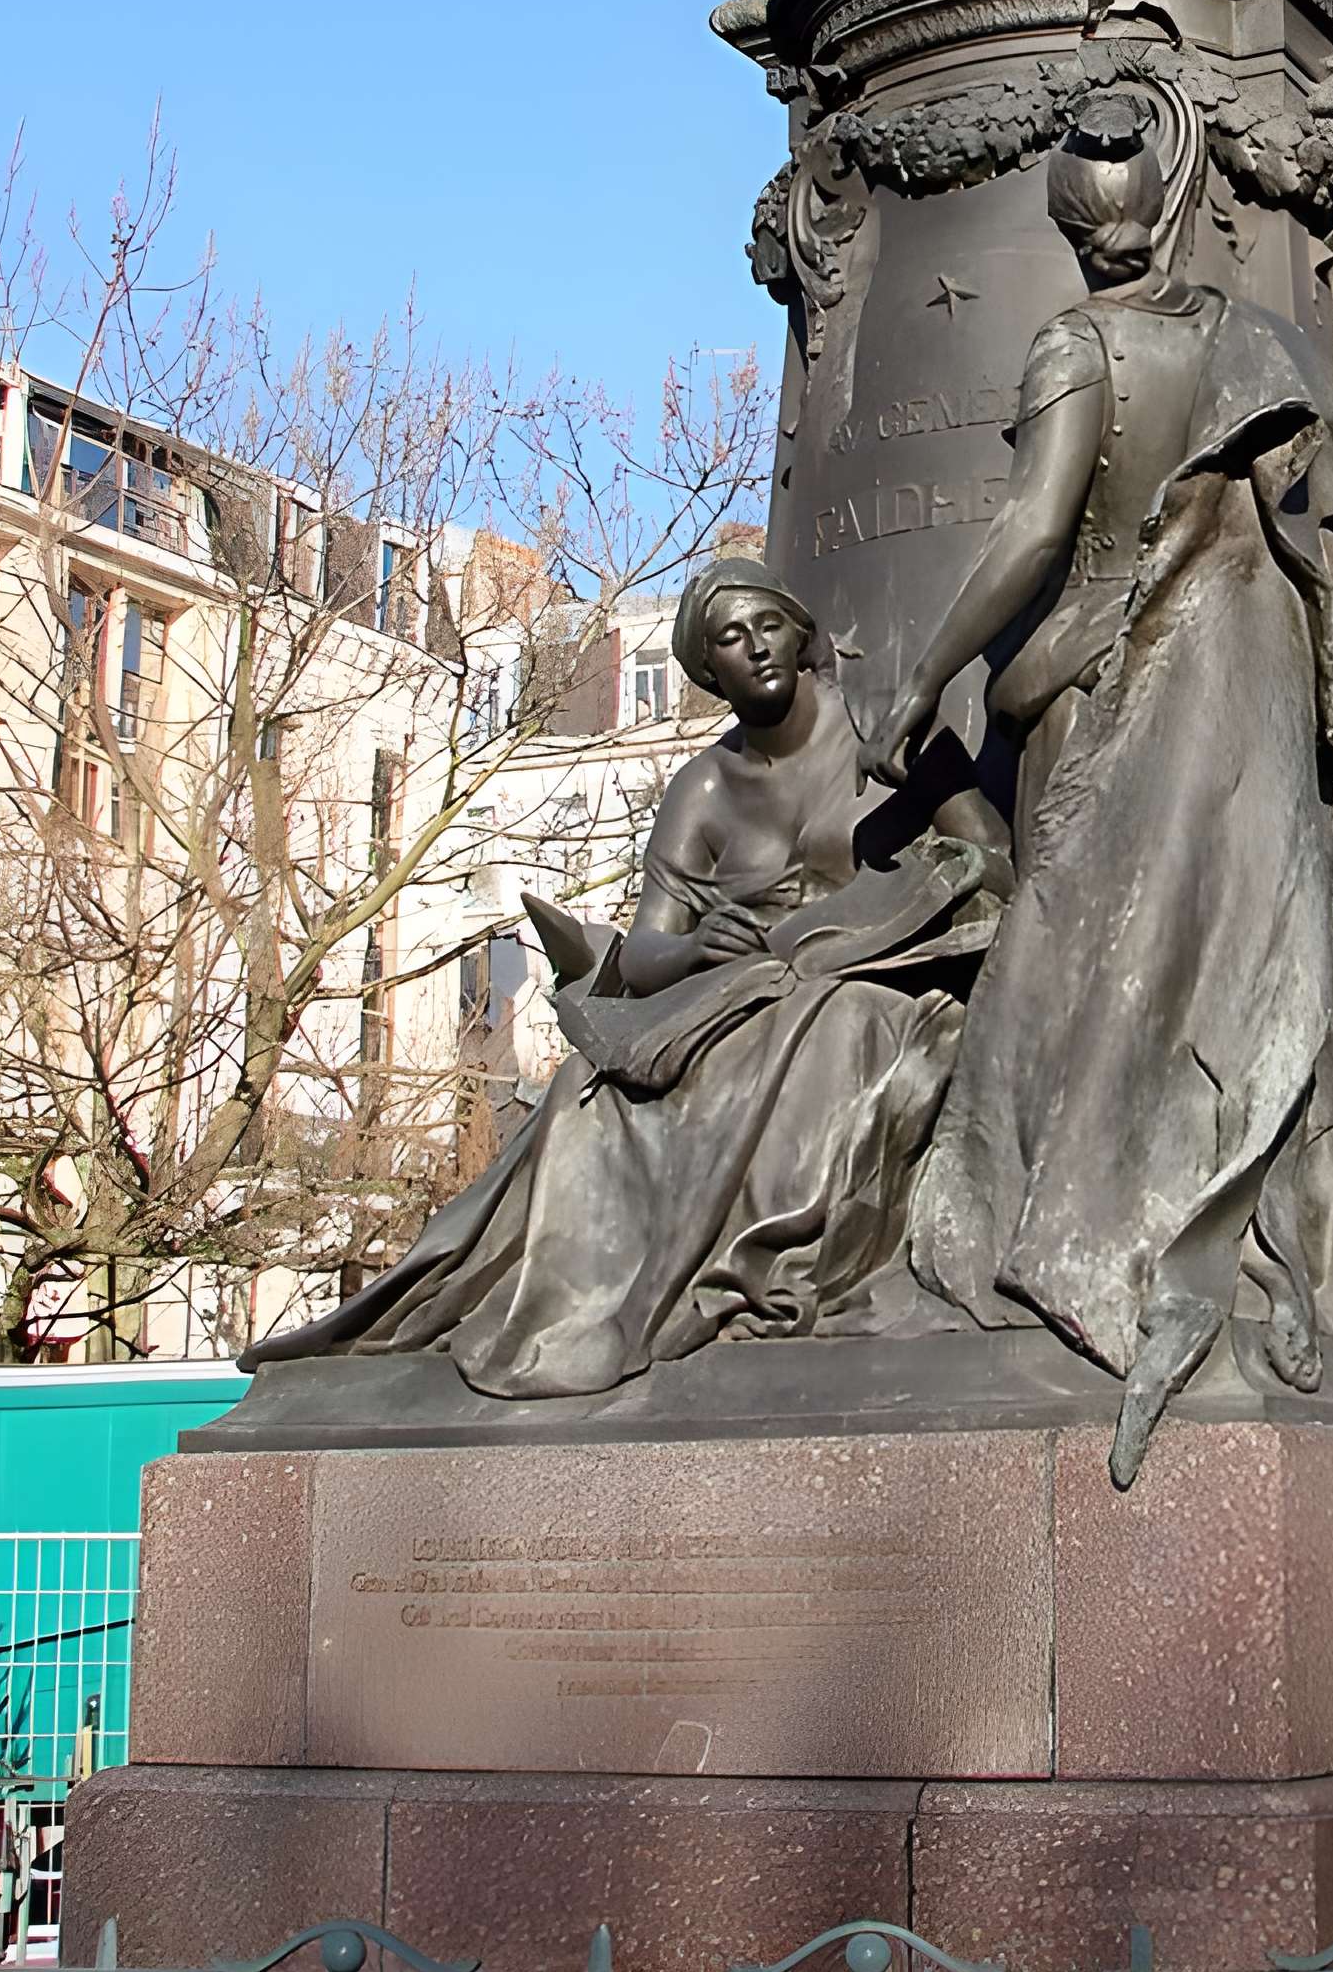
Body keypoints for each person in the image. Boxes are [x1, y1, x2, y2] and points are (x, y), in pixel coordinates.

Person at [861, 94, 1333, 1483]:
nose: (1089, 245)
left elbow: (1029, 534)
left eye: (1081, 226)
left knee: (1102, 969)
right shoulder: (1263, 343)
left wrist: (924, 673)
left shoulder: (1081, 347)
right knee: (1238, 953)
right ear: (1182, 198)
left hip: (1129, 681)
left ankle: (1084, 1226)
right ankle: (1260, 1246)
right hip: (1246, 684)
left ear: (1085, 222)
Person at [242, 560, 1005, 1397]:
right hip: (739, 996)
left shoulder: (884, 726)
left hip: (878, 982)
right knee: (587, 1090)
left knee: (836, 1023)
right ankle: (564, 1305)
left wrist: (920, 884)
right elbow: (645, 952)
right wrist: (699, 944)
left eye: (768, 625)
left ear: (801, 629)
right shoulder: (704, 788)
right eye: (729, 638)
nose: (756, 648)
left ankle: (757, 1271)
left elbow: (997, 864)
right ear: (706, 669)